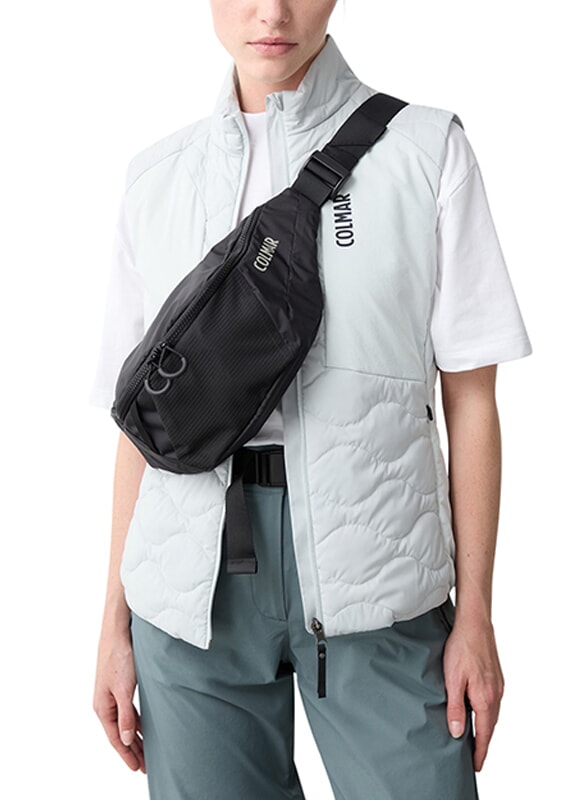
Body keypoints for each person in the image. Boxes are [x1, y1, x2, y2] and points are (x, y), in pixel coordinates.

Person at [92, 2, 532, 798]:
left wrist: (476, 615)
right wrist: (112, 625)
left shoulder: (426, 150)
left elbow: (472, 401)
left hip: (381, 574)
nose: (272, 12)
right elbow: (140, 428)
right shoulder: (156, 179)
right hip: (187, 592)